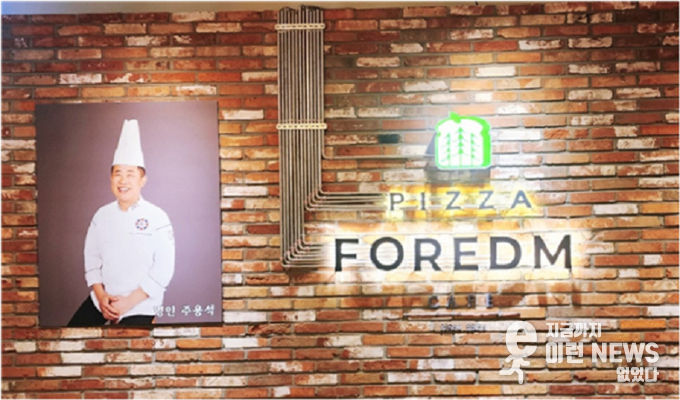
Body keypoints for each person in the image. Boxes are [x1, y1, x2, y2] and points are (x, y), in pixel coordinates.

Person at [68, 119, 175, 326]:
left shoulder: (158, 217)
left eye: (130, 174)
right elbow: (92, 260)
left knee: (127, 344)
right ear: (111, 179)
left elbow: (164, 269)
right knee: (70, 336)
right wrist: (101, 297)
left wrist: (127, 303)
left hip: (141, 303)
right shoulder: (101, 215)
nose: (123, 181)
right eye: (118, 174)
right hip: (103, 301)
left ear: (142, 180)